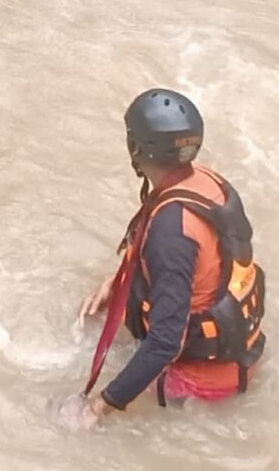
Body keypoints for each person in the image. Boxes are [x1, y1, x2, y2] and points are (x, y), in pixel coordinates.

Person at [69, 89, 267, 427]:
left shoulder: (171, 231)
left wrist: (97, 408)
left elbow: (164, 343)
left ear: (136, 148)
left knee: (61, 401)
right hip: (239, 355)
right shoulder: (206, 182)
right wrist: (115, 284)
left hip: (201, 386)